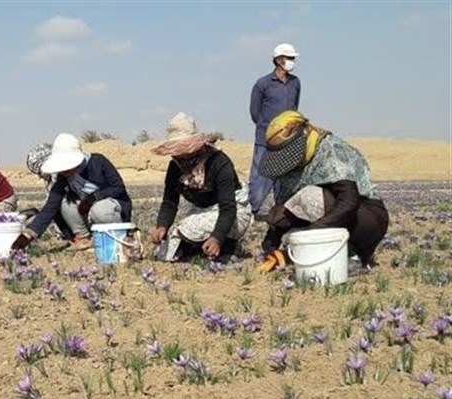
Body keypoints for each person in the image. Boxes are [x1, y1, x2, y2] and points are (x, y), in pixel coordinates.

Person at [257, 110, 389, 272]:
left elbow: (348, 201)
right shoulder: (293, 165)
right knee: (290, 236)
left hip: (365, 219)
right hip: (332, 220)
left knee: (307, 198)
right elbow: (287, 208)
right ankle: (327, 253)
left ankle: (350, 254)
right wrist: (271, 241)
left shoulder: (331, 149)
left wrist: (312, 234)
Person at [151, 113, 252, 261]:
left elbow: (228, 207)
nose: (179, 157)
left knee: (188, 227)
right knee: (161, 253)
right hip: (203, 212)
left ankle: (226, 243)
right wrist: (162, 226)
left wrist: (217, 237)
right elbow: (170, 202)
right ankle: (208, 247)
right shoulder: (175, 167)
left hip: (234, 212)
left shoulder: (219, 162)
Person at [11, 133, 132, 251]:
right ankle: (84, 238)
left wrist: (93, 198)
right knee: (64, 202)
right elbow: (51, 206)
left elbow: (118, 188)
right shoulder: (63, 176)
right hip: (87, 212)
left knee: (100, 209)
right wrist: (28, 235)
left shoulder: (98, 162)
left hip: (110, 208)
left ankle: (120, 236)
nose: (65, 172)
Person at [249, 43, 301, 218]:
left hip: (288, 139)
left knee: (284, 175)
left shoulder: (295, 83)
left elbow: (294, 108)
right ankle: (255, 209)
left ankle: (281, 210)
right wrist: (269, 129)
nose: (292, 61)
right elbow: (255, 112)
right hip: (265, 139)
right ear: (279, 60)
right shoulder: (262, 83)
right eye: (290, 58)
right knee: (260, 174)